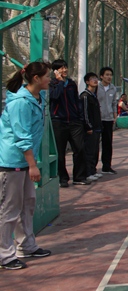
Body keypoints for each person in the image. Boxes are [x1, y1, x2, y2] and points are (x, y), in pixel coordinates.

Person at [0, 62, 53, 270]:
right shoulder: (20, 103)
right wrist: (33, 165)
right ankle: (4, 254)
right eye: (47, 76)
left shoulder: (38, 98)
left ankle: (27, 245)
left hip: (24, 161)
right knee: (9, 208)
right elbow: (21, 136)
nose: (50, 79)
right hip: (11, 161)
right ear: (36, 78)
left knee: (27, 203)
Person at [49, 59, 88, 187]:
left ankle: (79, 177)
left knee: (80, 148)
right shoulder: (51, 84)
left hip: (74, 121)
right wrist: (60, 82)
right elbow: (54, 96)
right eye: (61, 68)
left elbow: (76, 101)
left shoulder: (71, 84)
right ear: (55, 71)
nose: (64, 70)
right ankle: (63, 178)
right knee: (60, 152)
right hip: (58, 121)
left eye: (65, 67)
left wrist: (80, 117)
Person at [80, 73, 103, 182]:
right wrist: (88, 127)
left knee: (95, 151)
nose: (95, 80)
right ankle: (88, 172)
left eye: (96, 78)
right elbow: (84, 113)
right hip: (90, 129)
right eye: (92, 79)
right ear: (87, 82)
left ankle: (93, 170)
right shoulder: (85, 96)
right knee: (89, 151)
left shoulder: (94, 95)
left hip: (97, 128)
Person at [96, 67, 118, 174]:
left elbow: (114, 103)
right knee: (95, 144)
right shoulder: (96, 87)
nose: (109, 77)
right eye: (107, 75)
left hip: (108, 119)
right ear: (101, 76)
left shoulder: (113, 88)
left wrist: (114, 114)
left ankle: (106, 166)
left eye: (110, 75)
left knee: (108, 143)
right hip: (97, 119)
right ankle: (92, 168)